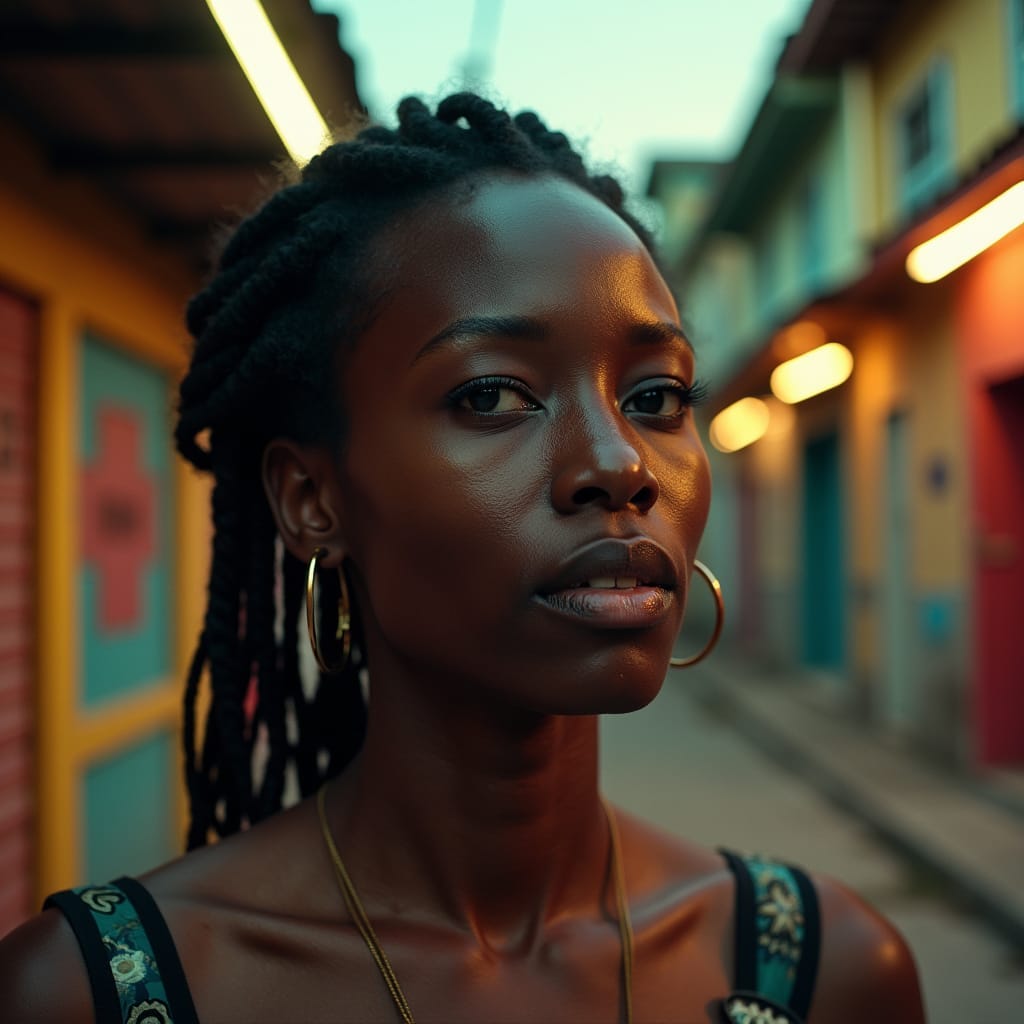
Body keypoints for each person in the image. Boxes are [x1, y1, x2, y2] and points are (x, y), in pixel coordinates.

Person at [0, 92, 924, 1023]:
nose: (620, 464)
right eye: (492, 396)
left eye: (656, 396)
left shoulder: (826, 974)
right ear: (312, 500)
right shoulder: (90, 996)